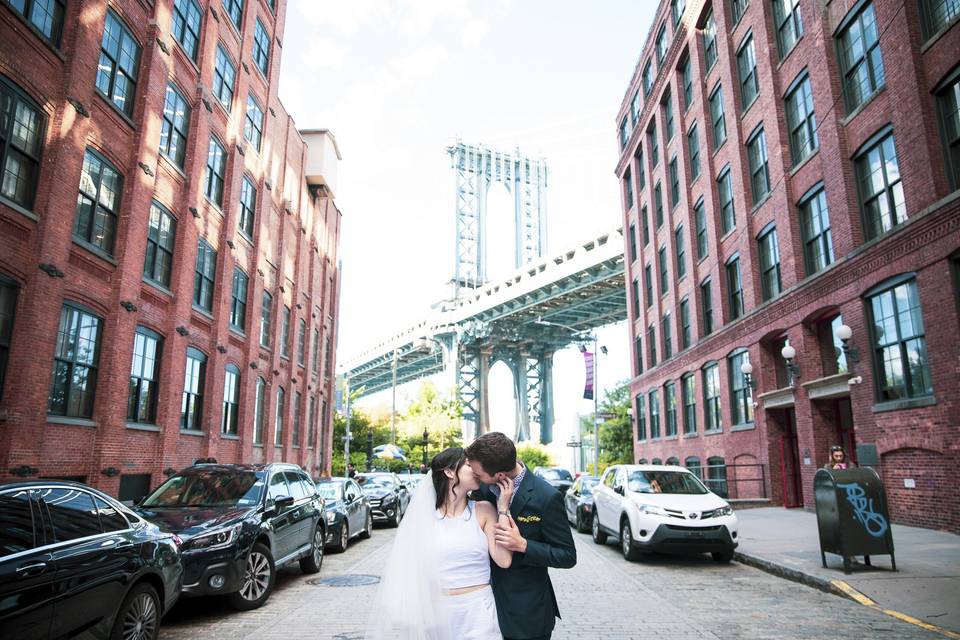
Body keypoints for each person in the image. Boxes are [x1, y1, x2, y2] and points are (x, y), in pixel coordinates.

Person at [368, 447, 515, 639]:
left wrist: (503, 508)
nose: (476, 470)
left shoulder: (484, 510)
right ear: (449, 471)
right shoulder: (424, 517)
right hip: (435, 613)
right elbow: (409, 569)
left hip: (478, 611)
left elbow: (504, 560)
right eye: (469, 465)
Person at [466, 432, 577, 640]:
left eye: (478, 474)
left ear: (500, 475)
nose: (475, 476)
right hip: (481, 611)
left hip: (526, 614)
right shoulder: (481, 487)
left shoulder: (546, 497)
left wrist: (524, 545)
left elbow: (567, 555)